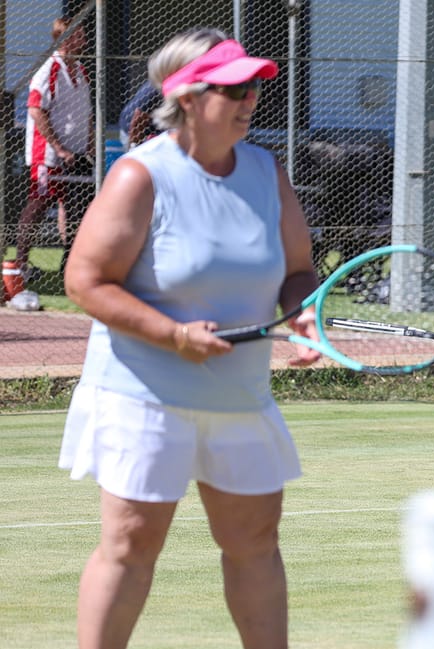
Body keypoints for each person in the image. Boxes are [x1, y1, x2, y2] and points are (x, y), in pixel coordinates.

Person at [58, 28, 321, 649]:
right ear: (187, 97)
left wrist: (302, 312)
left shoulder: (266, 171)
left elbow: (297, 271)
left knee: (254, 543)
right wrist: (173, 334)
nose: (249, 98)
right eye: (233, 88)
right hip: (142, 395)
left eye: (253, 86)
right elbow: (85, 281)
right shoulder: (139, 176)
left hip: (239, 395)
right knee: (131, 544)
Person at [14, 17, 94, 278]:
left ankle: (70, 261)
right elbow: (36, 109)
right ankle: (20, 263)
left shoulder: (81, 71)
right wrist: (58, 148)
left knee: (71, 205)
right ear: (65, 39)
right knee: (39, 203)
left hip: (77, 152)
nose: (84, 40)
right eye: (78, 35)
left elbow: (86, 114)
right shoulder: (49, 69)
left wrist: (91, 143)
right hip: (48, 153)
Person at [118, 79, 161, 149]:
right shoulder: (154, 89)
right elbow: (138, 120)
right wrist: (133, 148)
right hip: (132, 131)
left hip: (154, 132)